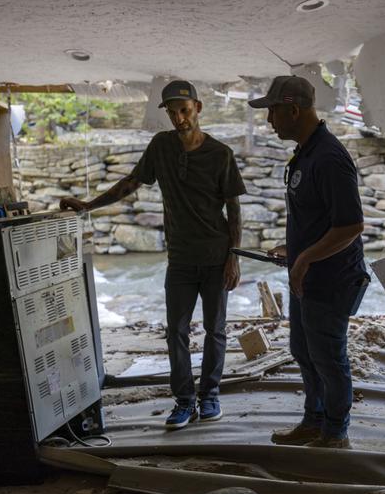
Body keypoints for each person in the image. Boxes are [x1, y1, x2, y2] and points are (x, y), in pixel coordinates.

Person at [60, 80, 246, 429]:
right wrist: (88, 206)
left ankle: (210, 396)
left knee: (214, 329)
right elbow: (131, 182)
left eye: (185, 110)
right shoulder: (161, 147)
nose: (179, 118)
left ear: (198, 108)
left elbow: (234, 209)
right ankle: (184, 401)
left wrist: (234, 258)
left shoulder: (221, 154)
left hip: (216, 256)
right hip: (180, 258)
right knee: (175, 330)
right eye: (173, 112)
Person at [249, 76, 369, 449]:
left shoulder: (330, 157)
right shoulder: (306, 151)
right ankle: (313, 421)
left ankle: (336, 433)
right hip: (308, 276)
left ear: (293, 109)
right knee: (304, 352)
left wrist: (306, 259)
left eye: (272, 111)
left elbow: (351, 225)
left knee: (330, 359)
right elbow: (318, 219)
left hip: (331, 279)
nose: (269, 120)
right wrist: (294, 251)